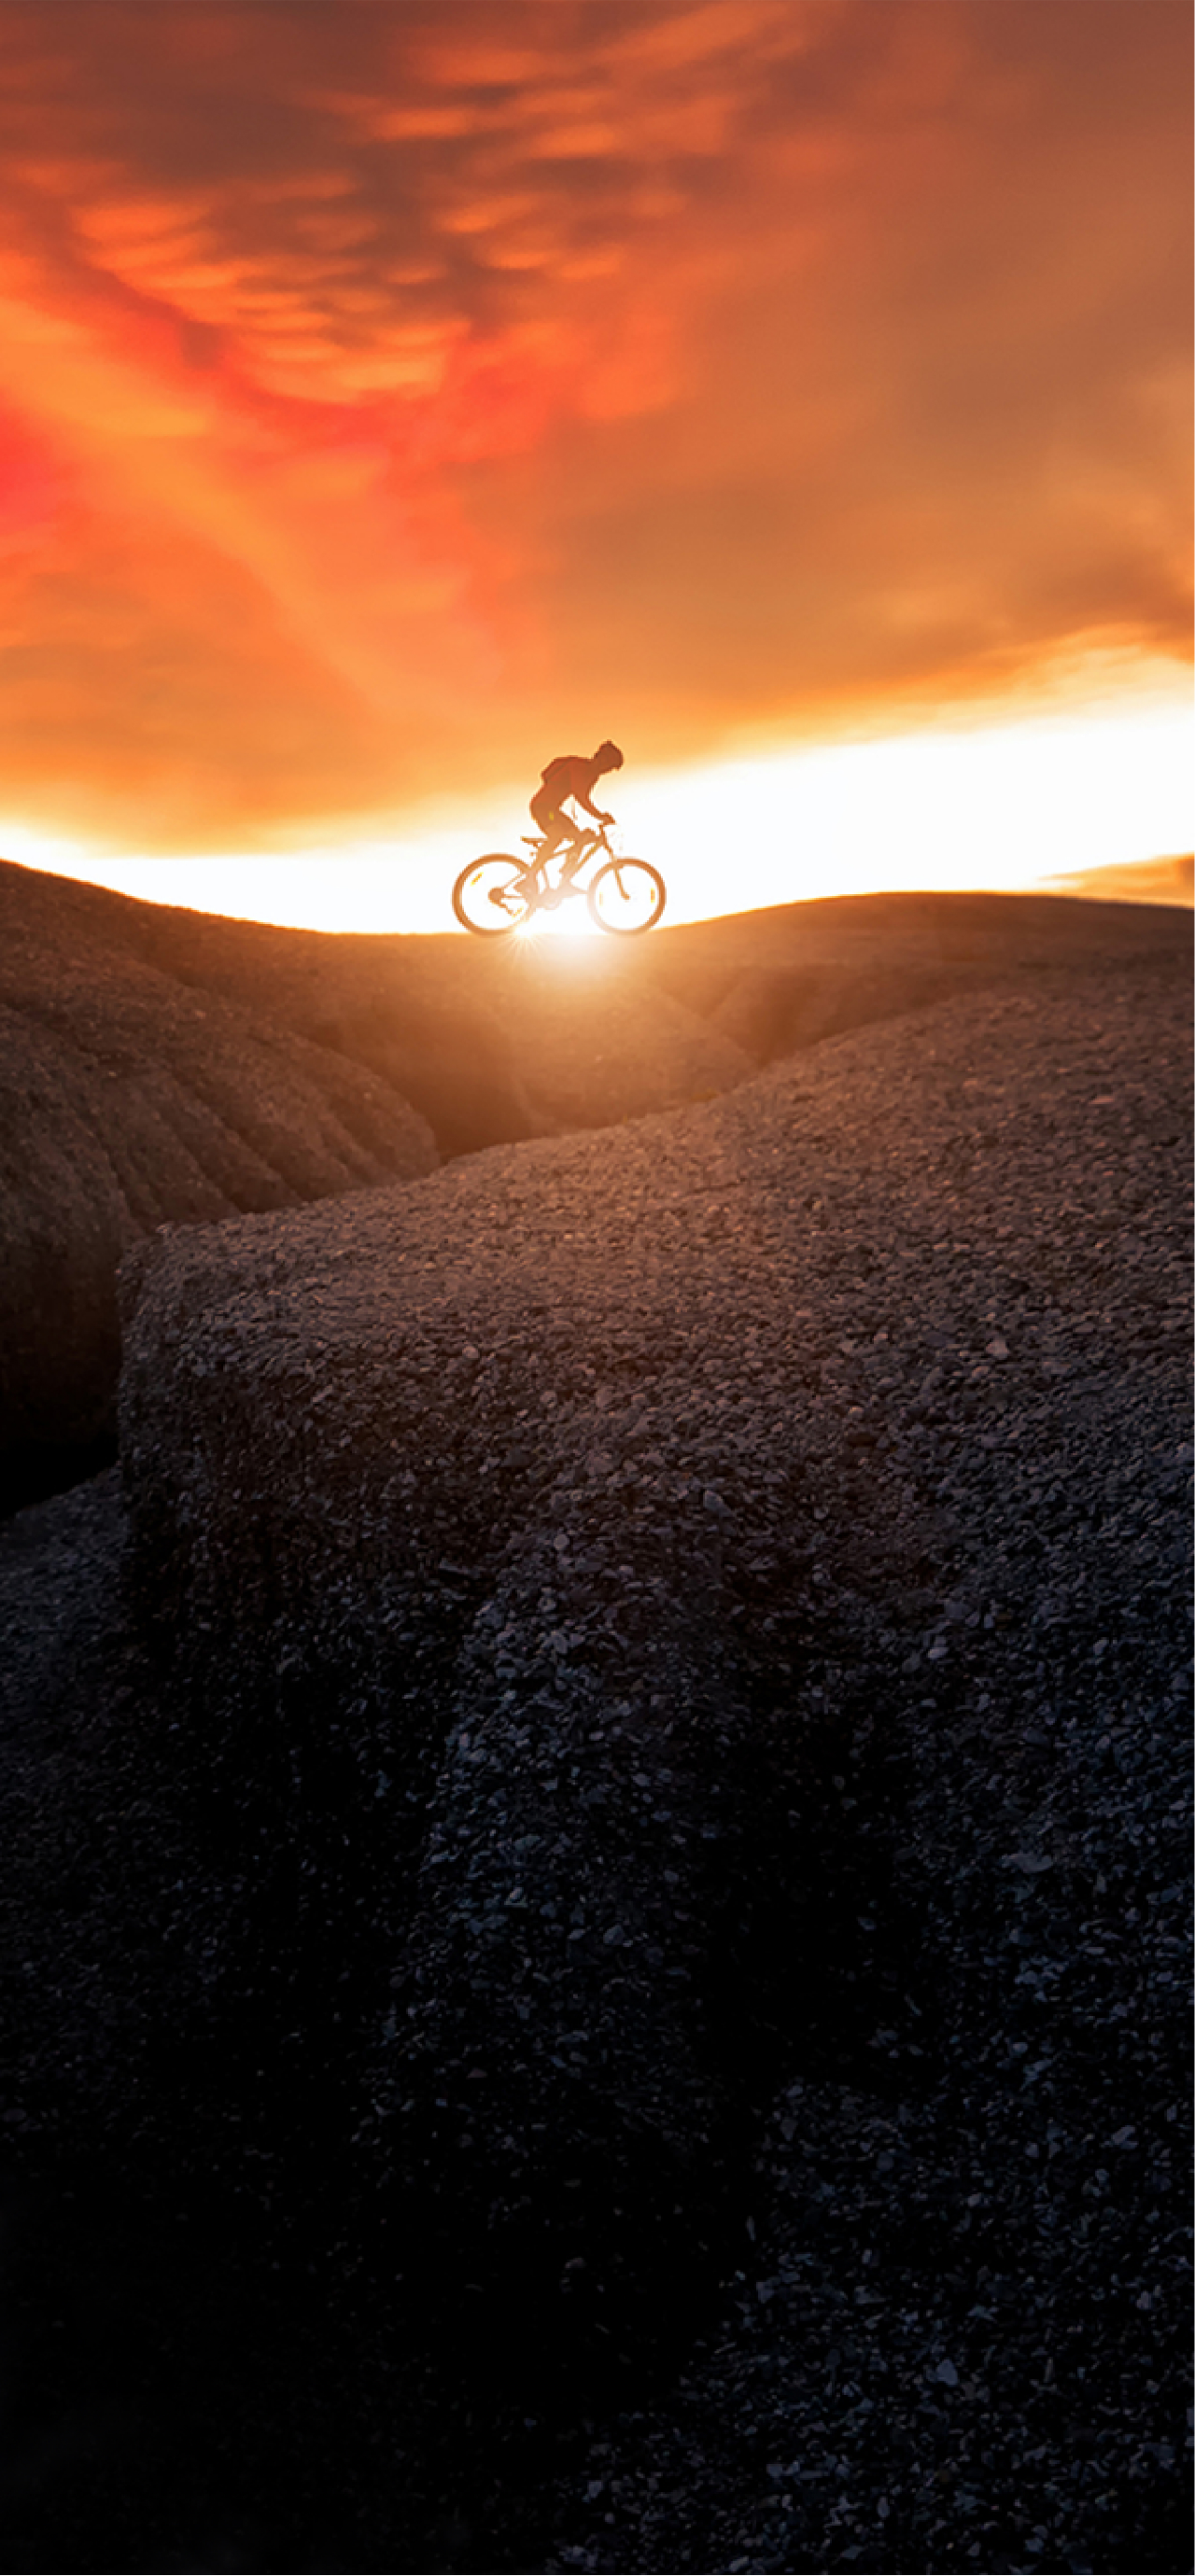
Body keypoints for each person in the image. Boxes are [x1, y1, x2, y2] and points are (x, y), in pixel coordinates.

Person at [525, 740, 624, 887]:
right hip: (544, 808)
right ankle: (530, 876)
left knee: (580, 839)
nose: (607, 771)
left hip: (553, 811)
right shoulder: (580, 767)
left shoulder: (592, 776)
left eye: (610, 769)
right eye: (608, 766)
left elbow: (584, 798)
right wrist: (600, 816)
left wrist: (600, 815)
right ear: (601, 759)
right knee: (556, 835)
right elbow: (580, 796)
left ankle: (565, 881)